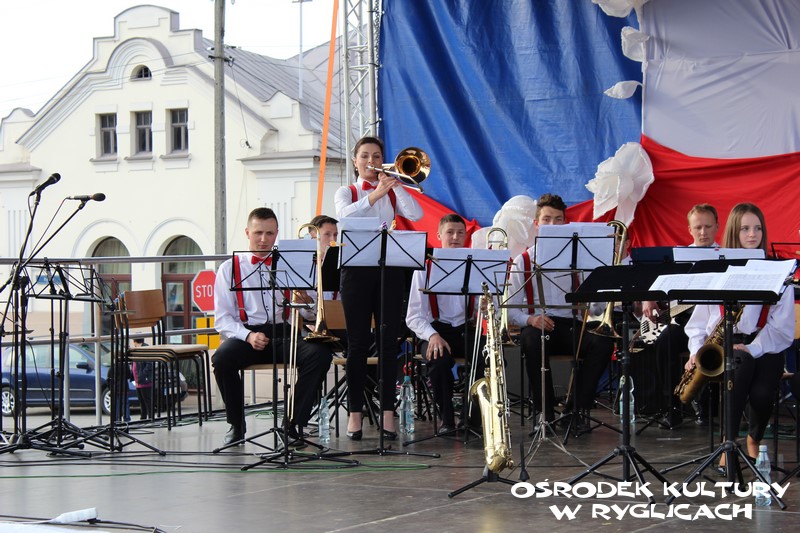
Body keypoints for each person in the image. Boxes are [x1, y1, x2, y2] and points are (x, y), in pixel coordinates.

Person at [684, 203, 793, 471]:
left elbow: (782, 328)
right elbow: (698, 324)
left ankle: (754, 439)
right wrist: (696, 351)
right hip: (726, 344)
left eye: (757, 228)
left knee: (762, 393)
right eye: (745, 229)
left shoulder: (779, 272)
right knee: (740, 365)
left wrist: (753, 347)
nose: (752, 234)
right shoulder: (716, 270)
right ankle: (728, 443)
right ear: (734, 231)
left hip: (765, 344)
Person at [211, 207, 333, 445]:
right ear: (247, 233)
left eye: (269, 233)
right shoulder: (229, 268)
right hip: (247, 335)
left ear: (277, 234)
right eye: (258, 233)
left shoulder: (291, 263)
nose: (263, 239)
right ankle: (236, 424)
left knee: (320, 355)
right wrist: (248, 336)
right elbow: (223, 319)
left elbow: (310, 313)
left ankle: (293, 423)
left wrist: (307, 301)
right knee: (222, 359)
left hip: (284, 332)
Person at [334, 136, 423, 440]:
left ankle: (387, 412)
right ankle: (355, 413)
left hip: (388, 270)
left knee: (387, 342)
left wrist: (398, 185)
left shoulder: (391, 190)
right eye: (365, 156)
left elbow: (416, 214)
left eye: (376, 156)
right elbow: (344, 216)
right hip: (356, 272)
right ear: (356, 161)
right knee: (358, 344)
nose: (371, 161)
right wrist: (374, 196)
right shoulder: (347, 191)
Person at [506, 193, 614, 429]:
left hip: (571, 325)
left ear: (565, 223)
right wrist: (531, 319)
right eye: (547, 219)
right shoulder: (523, 261)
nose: (553, 225)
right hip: (539, 326)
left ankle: (575, 410)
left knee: (604, 343)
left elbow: (595, 308)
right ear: (537, 224)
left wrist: (601, 296)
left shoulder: (581, 257)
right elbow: (511, 310)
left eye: (558, 219)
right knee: (532, 340)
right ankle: (544, 414)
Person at [639, 203, 721, 428]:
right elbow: (655, 282)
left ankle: (710, 409)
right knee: (664, 343)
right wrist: (648, 298)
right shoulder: (678, 258)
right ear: (689, 229)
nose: (703, 232)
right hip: (684, 322)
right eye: (698, 227)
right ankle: (672, 407)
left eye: (708, 227)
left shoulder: (726, 257)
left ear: (717, 227)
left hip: (716, 324)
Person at [406, 214, 475, 432]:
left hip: (465, 329)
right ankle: (447, 420)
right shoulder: (424, 269)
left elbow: (485, 308)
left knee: (486, 358)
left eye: (460, 233)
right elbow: (413, 316)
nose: (455, 237)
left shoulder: (475, 266)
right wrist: (432, 336)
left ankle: (472, 418)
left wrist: (485, 307)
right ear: (438, 235)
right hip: (435, 330)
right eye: (450, 232)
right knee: (438, 361)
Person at [131, 338, 154, 420]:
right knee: (141, 400)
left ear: (135, 341)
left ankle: (150, 416)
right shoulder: (136, 351)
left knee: (147, 400)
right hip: (138, 381)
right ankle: (143, 417)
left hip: (144, 381)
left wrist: (142, 375)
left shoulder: (145, 350)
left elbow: (149, 365)